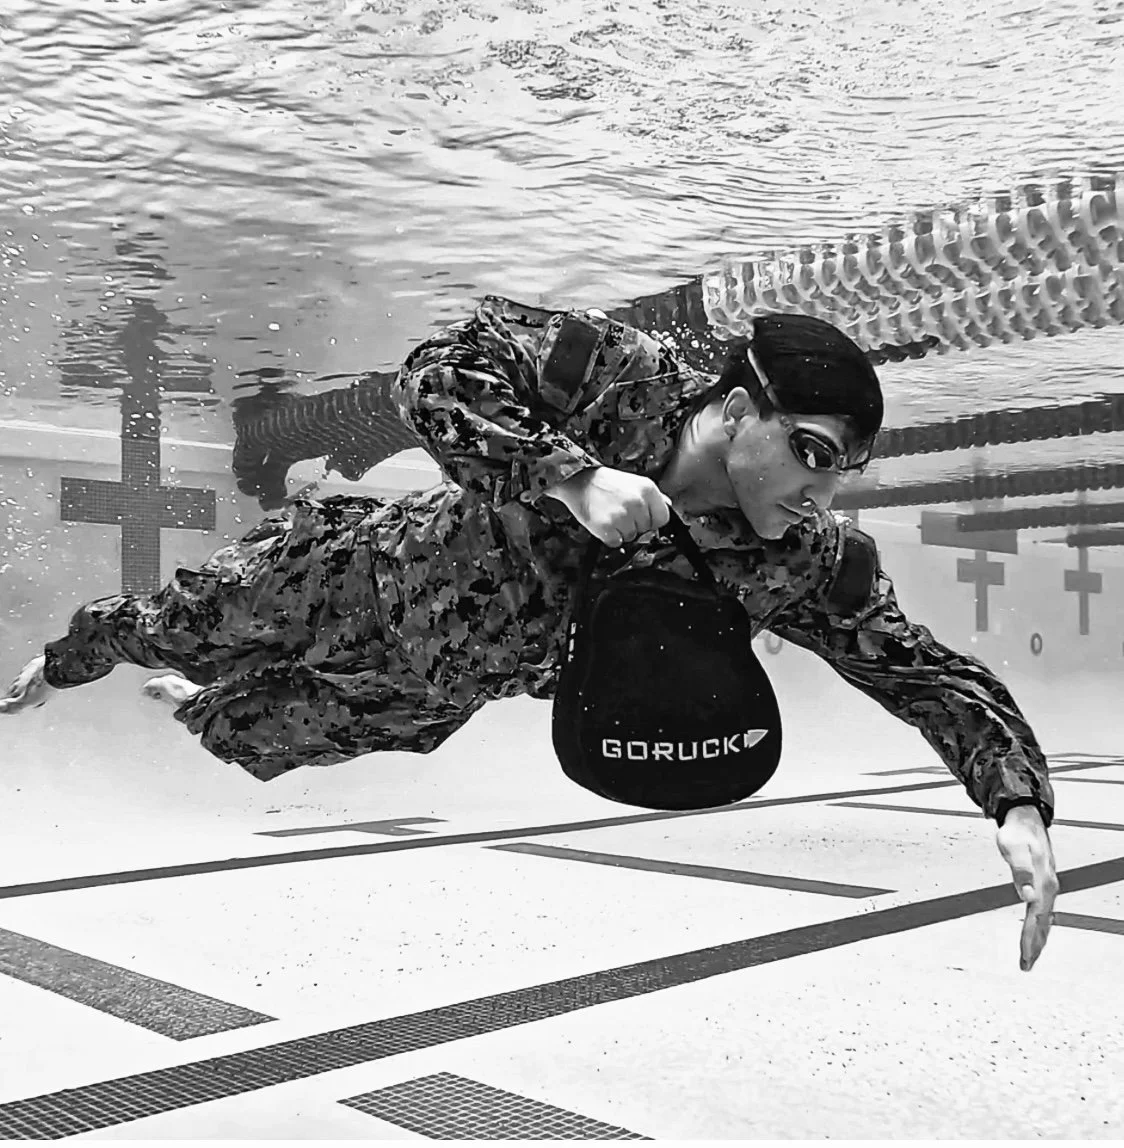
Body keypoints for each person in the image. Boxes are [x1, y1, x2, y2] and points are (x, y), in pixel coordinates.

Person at [0, 296, 1057, 969]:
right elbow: (436, 369)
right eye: (815, 452)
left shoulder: (792, 554)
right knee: (173, 624)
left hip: (432, 690)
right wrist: (570, 473)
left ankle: (201, 707)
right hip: (352, 575)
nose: (822, 491)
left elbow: (921, 670)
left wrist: (1013, 801)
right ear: (740, 410)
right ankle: (63, 661)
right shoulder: (615, 379)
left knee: (251, 736)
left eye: (846, 470)